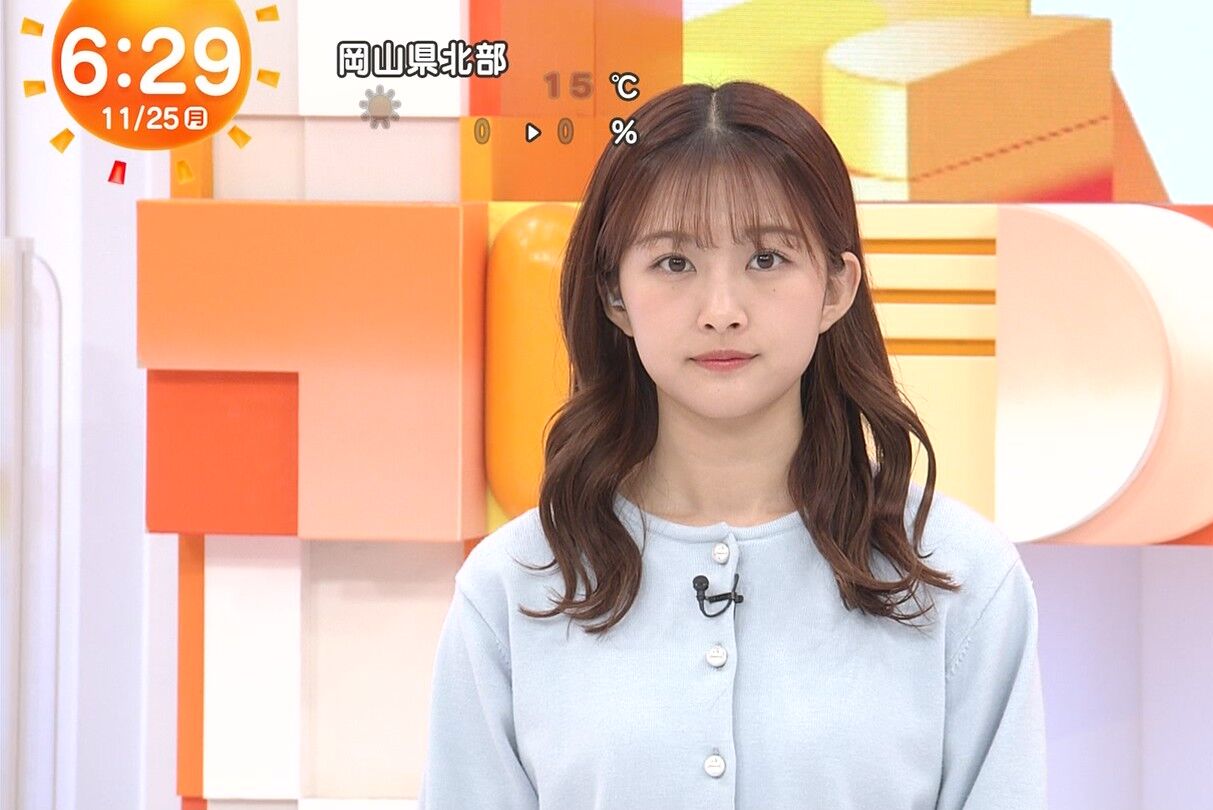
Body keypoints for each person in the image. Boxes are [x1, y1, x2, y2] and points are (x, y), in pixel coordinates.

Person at [418, 80, 1046, 809]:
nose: (721, 312)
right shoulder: (515, 587)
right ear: (615, 294)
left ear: (836, 287)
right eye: (674, 263)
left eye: (767, 259)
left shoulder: (959, 576)